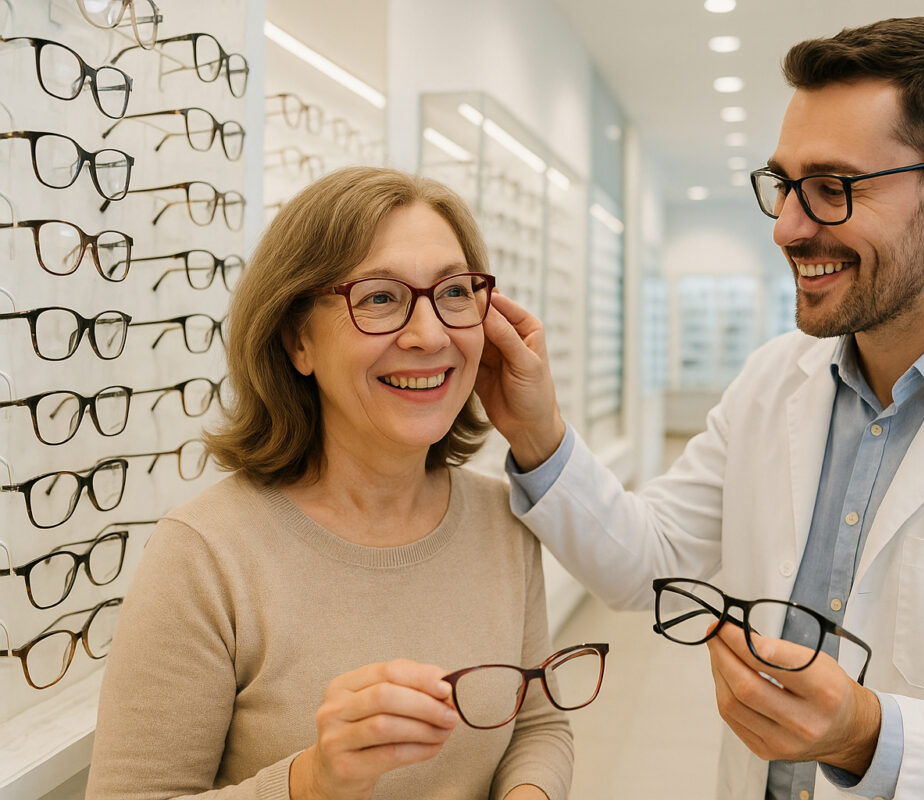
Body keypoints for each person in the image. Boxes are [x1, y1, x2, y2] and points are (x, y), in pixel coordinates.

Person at [476, 16, 924, 800]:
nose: (787, 227)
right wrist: (538, 432)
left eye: (831, 189)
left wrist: (867, 736)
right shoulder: (775, 379)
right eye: (783, 186)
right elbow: (649, 561)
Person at [87, 168, 573, 800]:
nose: (429, 334)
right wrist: (311, 782)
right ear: (298, 341)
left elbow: (537, 722)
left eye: (454, 293)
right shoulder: (204, 555)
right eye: (378, 298)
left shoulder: (500, 519)